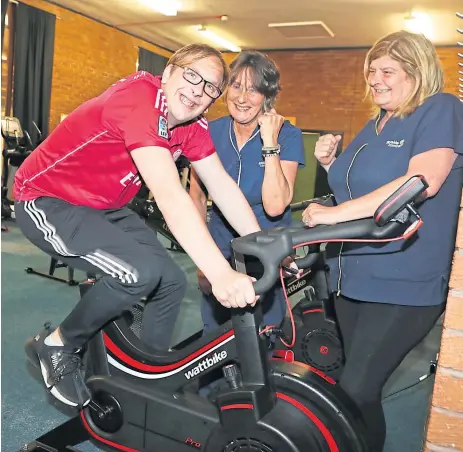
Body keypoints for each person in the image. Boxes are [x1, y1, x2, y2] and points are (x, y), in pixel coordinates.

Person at [13, 44, 269, 409]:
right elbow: (169, 195)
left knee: (170, 282)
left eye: (210, 87)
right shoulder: (141, 100)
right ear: (167, 73)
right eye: (191, 75)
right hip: (47, 200)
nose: (198, 90)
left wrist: (261, 243)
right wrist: (219, 273)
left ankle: (142, 377)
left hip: (105, 206)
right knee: (137, 274)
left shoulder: (192, 126)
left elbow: (222, 186)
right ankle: (56, 344)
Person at [302, 30, 463, 452]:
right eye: (371, 71)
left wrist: (332, 215)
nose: (374, 79)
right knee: (353, 387)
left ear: (418, 71)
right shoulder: (377, 123)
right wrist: (330, 164)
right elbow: (356, 191)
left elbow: (422, 180)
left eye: (387, 71)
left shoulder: (440, 108)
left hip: (403, 281)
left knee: (356, 388)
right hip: (352, 276)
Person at [189, 50, 305, 335]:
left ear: (267, 96)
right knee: (216, 334)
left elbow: (276, 205)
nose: (242, 98)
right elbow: (197, 196)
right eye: (236, 86)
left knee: (263, 333)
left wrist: (269, 142)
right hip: (220, 241)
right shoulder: (207, 131)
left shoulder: (288, 135)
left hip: (267, 246)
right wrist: (203, 258)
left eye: (253, 90)